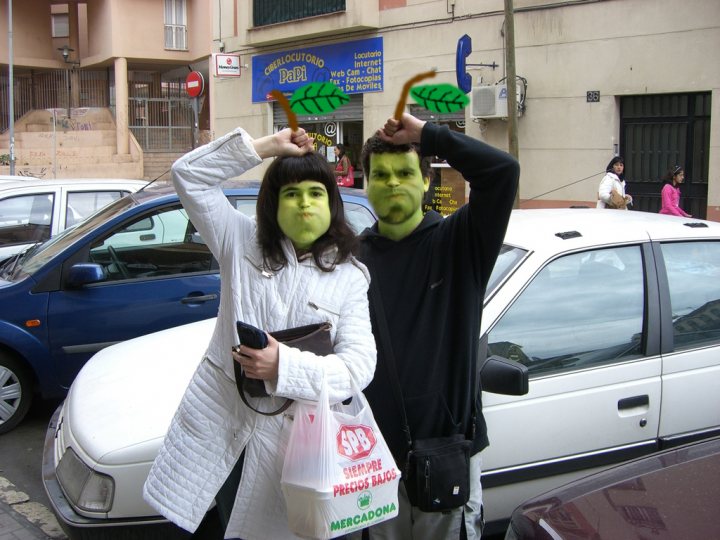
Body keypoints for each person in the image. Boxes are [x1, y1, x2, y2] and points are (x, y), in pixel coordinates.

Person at [142, 126, 376, 540]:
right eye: (291, 194)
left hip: (294, 445)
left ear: (332, 203)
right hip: (222, 426)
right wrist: (265, 147)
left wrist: (282, 365)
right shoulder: (239, 239)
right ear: (273, 203)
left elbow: (359, 368)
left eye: (315, 194)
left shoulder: (349, 276)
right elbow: (188, 176)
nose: (304, 204)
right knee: (218, 522)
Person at [355, 112, 519, 539]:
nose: (393, 183)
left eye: (405, 172)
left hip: (447, 458)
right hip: (370, 464)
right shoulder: (351, 262)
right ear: (365, 184)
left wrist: (430, 135)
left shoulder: (461, 244)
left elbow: (503, 172)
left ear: (427, 181)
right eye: (382, 174)